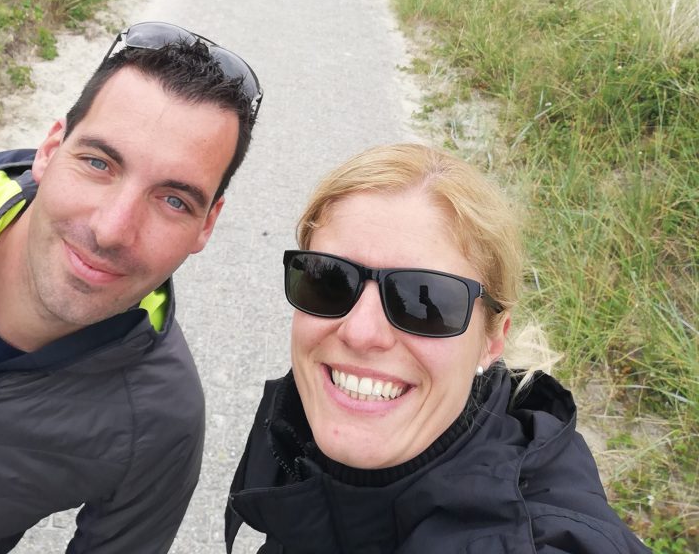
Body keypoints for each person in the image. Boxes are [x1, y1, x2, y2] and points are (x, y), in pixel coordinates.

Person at [0, 21, 263, 554]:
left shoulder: (159, 421)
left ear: (207, 224)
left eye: (173, 200)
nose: (111, 230)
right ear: (49, 150)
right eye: (98, 163)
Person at [226, 143, 651, 554]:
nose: (360, 332)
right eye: (329, 280)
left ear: (492, 340)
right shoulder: (293, 429)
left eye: (424, 301)